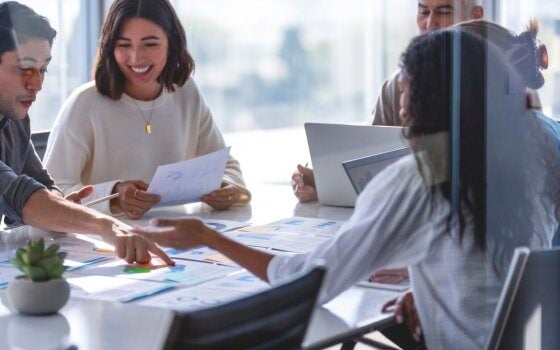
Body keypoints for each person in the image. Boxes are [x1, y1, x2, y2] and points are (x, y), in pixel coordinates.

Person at [134, 27, 559, 348]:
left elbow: (308, 279)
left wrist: (207, 237)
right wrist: (431, 281)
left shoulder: (420, 178)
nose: (403, 104)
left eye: (409, 89)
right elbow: (504, 256)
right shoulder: (535, 148)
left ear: (435, 98)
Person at [44, 0, 250, 220]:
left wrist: (229, 188)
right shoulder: (84, 104)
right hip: (106, 241)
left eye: (150, 44)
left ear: (171, 43)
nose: (136, 58)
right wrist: (113, 195)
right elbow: (50, 195)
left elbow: (224, 165)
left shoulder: (186, 93)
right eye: (124, 45)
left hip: (179, 237)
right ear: (110, 47)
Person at [0, 1, 172, 265]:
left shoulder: (14, 120)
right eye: (25, 68)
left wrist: (61, 208)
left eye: (43, 69)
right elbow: (22, 198)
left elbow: (42, 186)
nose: (37, 84)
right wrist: (105, 226)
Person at [292, 0, 484, 203]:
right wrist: (324, 184)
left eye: (444, 12)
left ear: (476, 15)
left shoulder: (498, 87)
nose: (429, 24)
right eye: (423, 12)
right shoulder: (397, 87)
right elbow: (369, 169)